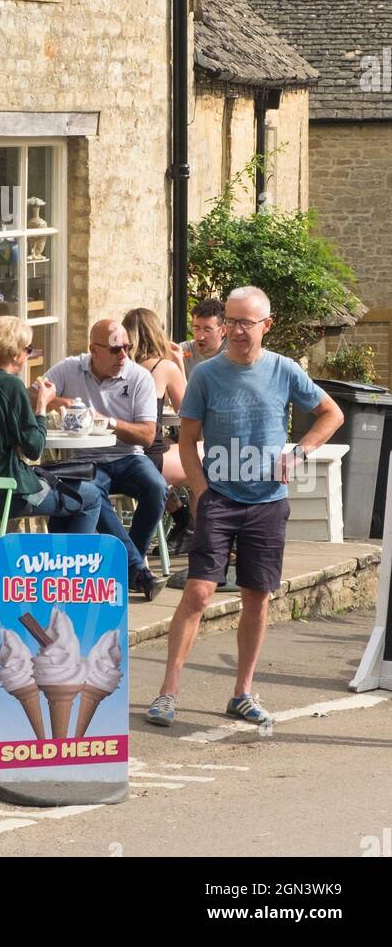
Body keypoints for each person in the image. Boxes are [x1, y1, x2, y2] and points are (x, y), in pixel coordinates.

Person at [145, 286, 344, 729]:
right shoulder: (207, 375)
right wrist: (199, 492)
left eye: (245, 323)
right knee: (199, 591)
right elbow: (188, 440)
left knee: (257, 596)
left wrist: (300, 453)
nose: (235, 330)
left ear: (265, 326)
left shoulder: (285, 370)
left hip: (268, 503)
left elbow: (332, 413)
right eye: (230, 322)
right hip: (219, 498)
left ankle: (242, 693)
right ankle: (167, 693)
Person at [43, 320, 168, 600]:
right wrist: (58, 402)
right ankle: (136, 569)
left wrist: (108, 422)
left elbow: (148, 436)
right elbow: (34, 393)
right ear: (93, 350)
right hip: (88, 459)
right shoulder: (70, 368)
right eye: (115, 349)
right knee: (92, 493)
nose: (123, 355)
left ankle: (125, 564)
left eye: (127, 347)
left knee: (157, 487)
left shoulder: (138, 377)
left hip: (127, 456)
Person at [0, 316, 103, 533]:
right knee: (91, 496)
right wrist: (43, 405)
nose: (29, 354)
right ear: (16, 354)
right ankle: (71, 565)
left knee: (64, 492)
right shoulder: (11, 386)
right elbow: (34, 448)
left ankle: (52, 561)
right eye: (29, 349)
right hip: (9, 492)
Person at [122, 308, 194, 554]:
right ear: (157, 334)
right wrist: (179, 364)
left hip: (117, 454)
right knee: (213, 457)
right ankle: (200, 533)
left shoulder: (117, 366)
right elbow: (189, 410)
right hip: (145, 457)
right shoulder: (162, 367)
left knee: (175, 446)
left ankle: (182, 519)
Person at [180, 298, 226, 378]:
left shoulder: (234, 354)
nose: (200, 337)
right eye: (196, 328)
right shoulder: (183, 350)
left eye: (207, 330)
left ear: (223, 330)